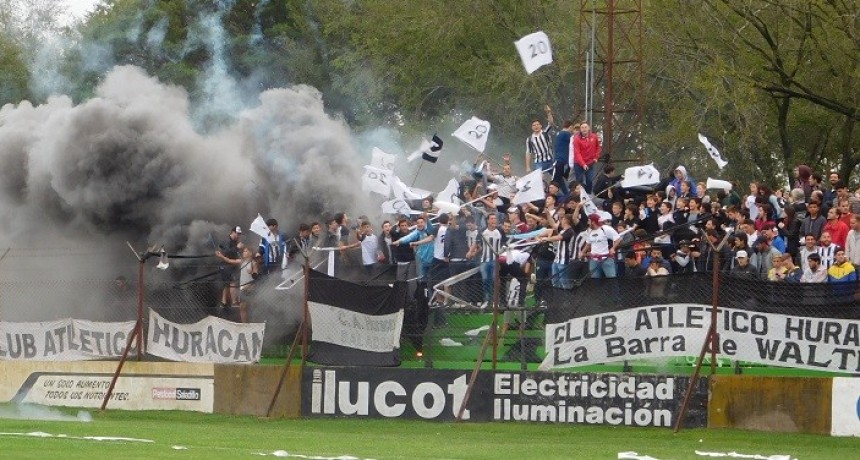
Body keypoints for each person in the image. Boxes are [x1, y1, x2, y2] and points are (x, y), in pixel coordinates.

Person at [215, 226, 243, 316]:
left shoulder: (234, 242)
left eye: (239, 234)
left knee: (227, 284)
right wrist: (237, 248)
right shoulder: (228, 241)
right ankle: (234, 303)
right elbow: (227, 252)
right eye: (237, 233)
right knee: (232, 283)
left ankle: (224, 302)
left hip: (230, 266)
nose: (238, 235)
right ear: (232, 232)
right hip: (226, 266)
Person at [583, 213, 621, 279]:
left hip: (606, 258)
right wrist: (582, 252)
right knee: (595, 279)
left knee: (611, 279)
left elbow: (618, 239)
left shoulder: (606, 229)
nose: (587, 222)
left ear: (593, 222)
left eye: (589, 221)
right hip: (593, 259)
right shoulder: (589, 231)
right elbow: (588, 243)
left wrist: (613, 248)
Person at [572, 122, 601, 193]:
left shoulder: (594, 136)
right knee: (579, 181)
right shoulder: (576, 139)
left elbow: (598, 147)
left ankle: (588, 194)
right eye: (582, 128)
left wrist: (596, 157)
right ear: (580, 129)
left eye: (585, 127)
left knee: (589, 180)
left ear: (589, 128)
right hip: (579, 164)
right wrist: (583, 164)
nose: (584, 129)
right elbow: (577, 153)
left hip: (590, 163)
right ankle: (580, 195)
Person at [525, 105, 555, 172]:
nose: (536, 126)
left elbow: (551, 123)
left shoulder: (545, 132)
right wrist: (527, 167)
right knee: (539, 179)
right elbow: (528, 153)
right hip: (539, 163)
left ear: (541, 126)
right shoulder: (529, 139)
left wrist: (549, 112)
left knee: (557, 178)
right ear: (532, 127)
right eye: (534, 125)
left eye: (537, 124)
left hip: (550, 160)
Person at [553, 120, 575, 195]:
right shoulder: (567, 134)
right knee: (556, 180)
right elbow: (575, 141)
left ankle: (566, 194)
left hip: (560, 160)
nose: (572, 131)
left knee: (559, 179)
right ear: (570, 127)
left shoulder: (559, 134)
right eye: (572, 129)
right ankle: (554, 195)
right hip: (561, 160)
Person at [237, 245, 258, 323]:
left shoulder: (253, 263)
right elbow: (230, 260)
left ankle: (253, 323)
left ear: (250, 253)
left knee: (252, 306)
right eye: (243, 251)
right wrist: (222, 257)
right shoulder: (242, 262)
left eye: (245, 251)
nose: (244, 253)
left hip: (250, 288)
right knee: (242, 307)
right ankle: (244, 324)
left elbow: (256, 276)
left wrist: (252, 272)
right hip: (242, 288)